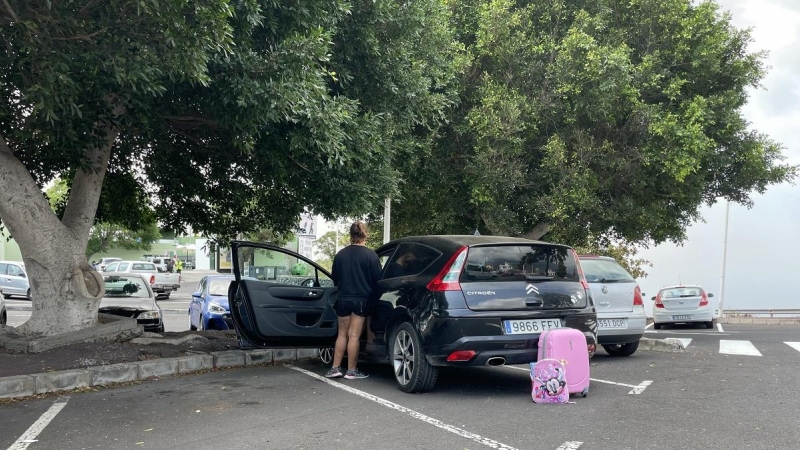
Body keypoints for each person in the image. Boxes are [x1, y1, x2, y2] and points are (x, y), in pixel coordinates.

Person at [326, 221, 381, 380]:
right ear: (365, 234)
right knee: (354, 336)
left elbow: (335, 279)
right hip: (361, 300)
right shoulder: (371, 255)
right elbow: (378, 279)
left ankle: (335, 368)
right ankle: (351, 370)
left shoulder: (340, 255)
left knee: (342, 335)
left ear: (351, 235)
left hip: (343, 299)